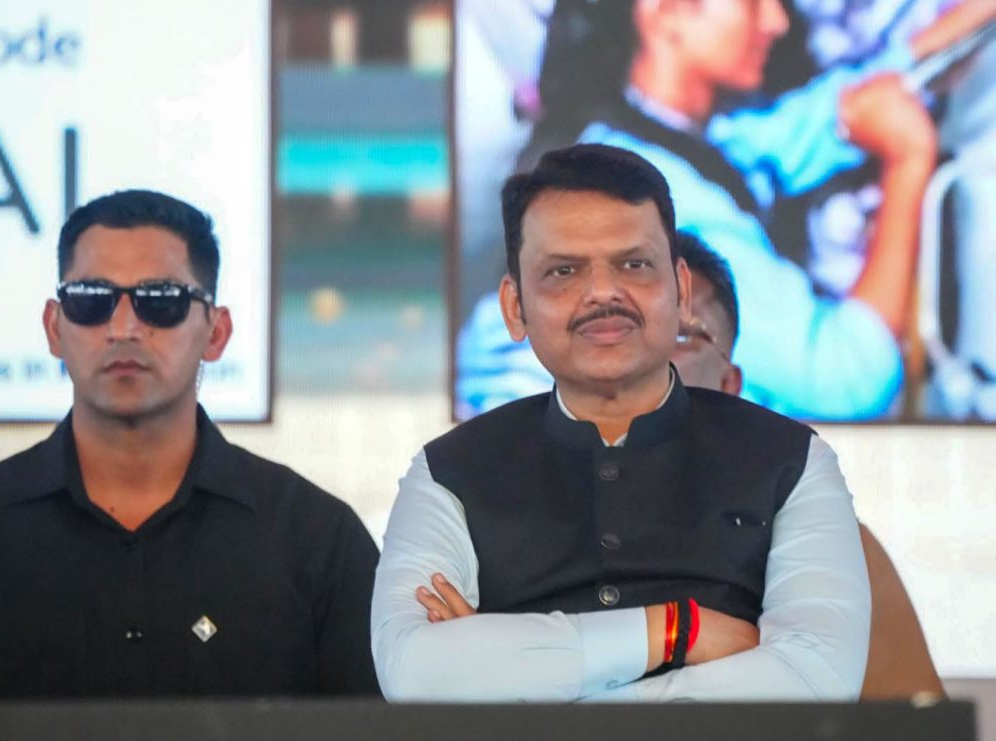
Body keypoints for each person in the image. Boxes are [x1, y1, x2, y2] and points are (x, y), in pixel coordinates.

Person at [372, 143, 870, 702]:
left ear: (681, 292)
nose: (603, 293)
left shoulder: (792, 461)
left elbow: (813, 683)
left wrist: (514, 680)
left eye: (634, 265)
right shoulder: (449, 473)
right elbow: (415, 673)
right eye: (563, 271)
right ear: (515, 308)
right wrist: (679, 630)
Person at [458, 0, 996, 420]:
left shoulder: (648, 137)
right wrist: (908, 162)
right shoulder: (658, 200)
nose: (777, 21)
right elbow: (850, 379)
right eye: (753, 3)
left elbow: (837, 112)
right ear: (666, 13)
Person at [0, 190, 380, 697]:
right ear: (54, 328)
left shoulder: (317, 540)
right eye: (91, 299)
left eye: (161, 301)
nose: (124, 329)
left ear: (217, 332)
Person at [671, 232, 945, 700]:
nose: (648, 360)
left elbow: (916, 719)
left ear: (729, 382)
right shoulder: (533, 521)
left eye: (680, 335)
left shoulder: (827, 545)